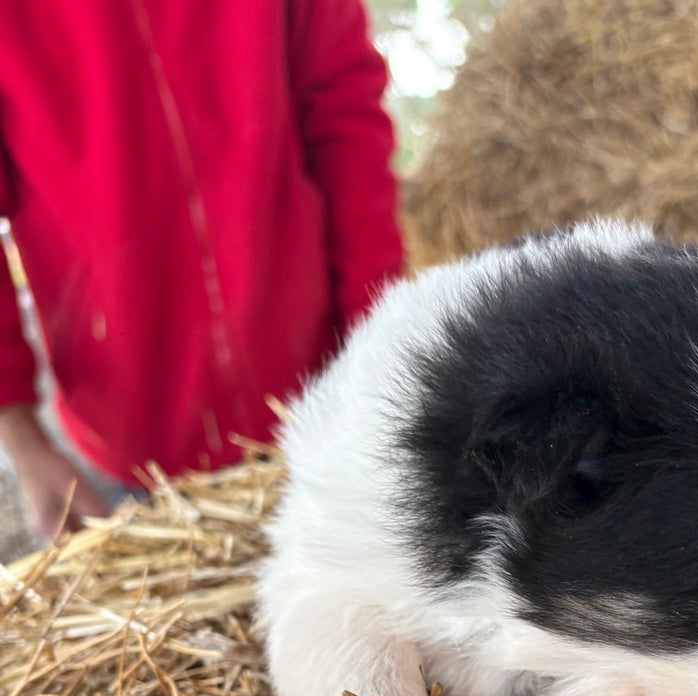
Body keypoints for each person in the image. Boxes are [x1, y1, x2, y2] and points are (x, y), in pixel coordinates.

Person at [0, 0, 402, 540]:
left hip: (322, 399)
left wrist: (376, 338)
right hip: (123, 455)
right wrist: (23, 439)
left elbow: (344, 113)